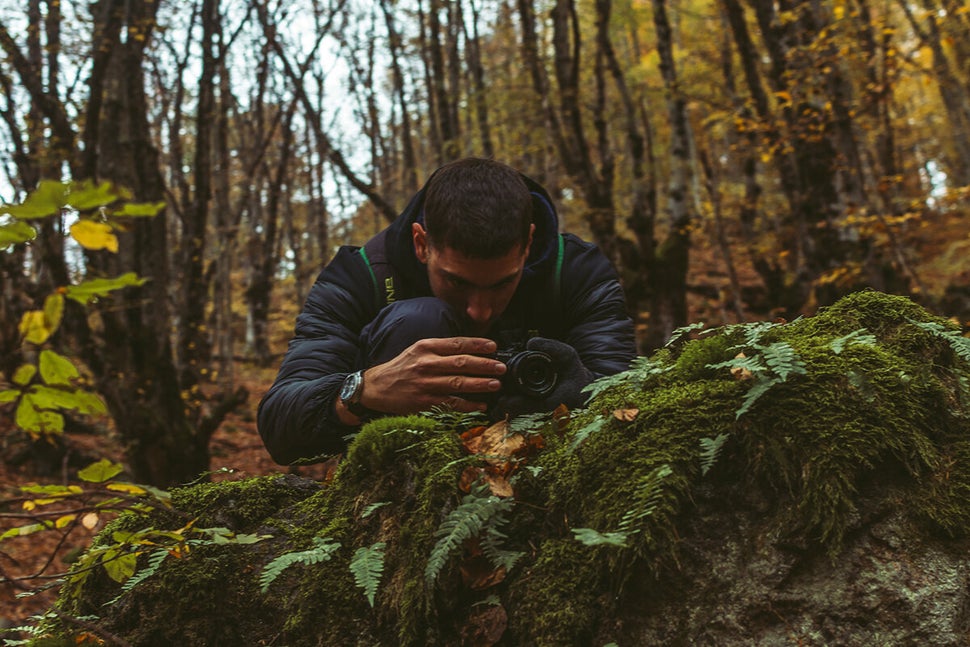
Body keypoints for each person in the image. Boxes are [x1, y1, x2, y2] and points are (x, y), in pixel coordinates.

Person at [258, 158, 636, 465]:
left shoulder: (575, 272)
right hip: (400, 485)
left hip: (552, 475)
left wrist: (578, 388)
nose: (480, 310)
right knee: (419, 321)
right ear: (422, 244)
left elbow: (627, 403)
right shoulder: (362, 277)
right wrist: (363, 390)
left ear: (528, 244)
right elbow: (279, 426)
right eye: (458, 282)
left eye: (503, 283)